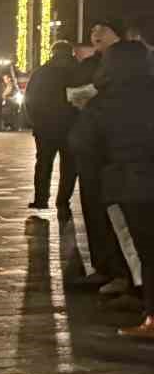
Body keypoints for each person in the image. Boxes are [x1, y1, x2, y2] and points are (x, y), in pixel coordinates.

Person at [71, 40, 154, 337]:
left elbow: (83, 144)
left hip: (131, 186)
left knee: (148, 253)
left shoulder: (104, 102)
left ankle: (152, 319)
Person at [70, 18, 131, 293]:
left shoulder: (127, 64)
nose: (95, 33)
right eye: (93, 29)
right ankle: (103, 267)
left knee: (117, 213)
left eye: (102, 28)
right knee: (93, 208)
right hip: (88, 147)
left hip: (115, 150)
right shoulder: (89, 64)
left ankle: (124, 274)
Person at [25, 40, 86, 214]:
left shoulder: (42, 72)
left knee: (43, 163)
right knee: (69, 166)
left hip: (46, 127)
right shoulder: (78, 71)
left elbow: (30, 99)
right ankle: (63, 200)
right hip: (72, 126)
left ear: (53, 52)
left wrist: (34, 121)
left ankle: (41, 199)